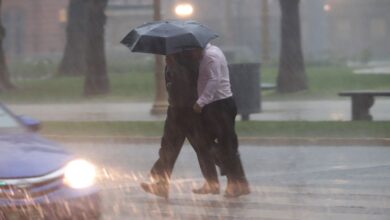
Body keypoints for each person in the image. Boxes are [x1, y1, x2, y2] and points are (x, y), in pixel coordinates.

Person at [140, 51, 219, 199]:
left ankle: (161, 183)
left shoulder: (180, 63)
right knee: (200, 146)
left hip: (181, 112)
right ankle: (212, 180)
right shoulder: (189, 60)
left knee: (171, 148)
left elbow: (180, 89)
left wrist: (172, 67)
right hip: (188, 110)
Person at [190, 43, 250, 198]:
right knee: (205, 144)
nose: (191, 54)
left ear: (197, 46)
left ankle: (236, 184)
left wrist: (201, 102)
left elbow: (214, 81)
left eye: (191, 51)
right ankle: (234, 182)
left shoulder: (211, 56)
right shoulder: (209, 53)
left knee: (227, 146)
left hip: (219, 105)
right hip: (214, 106)